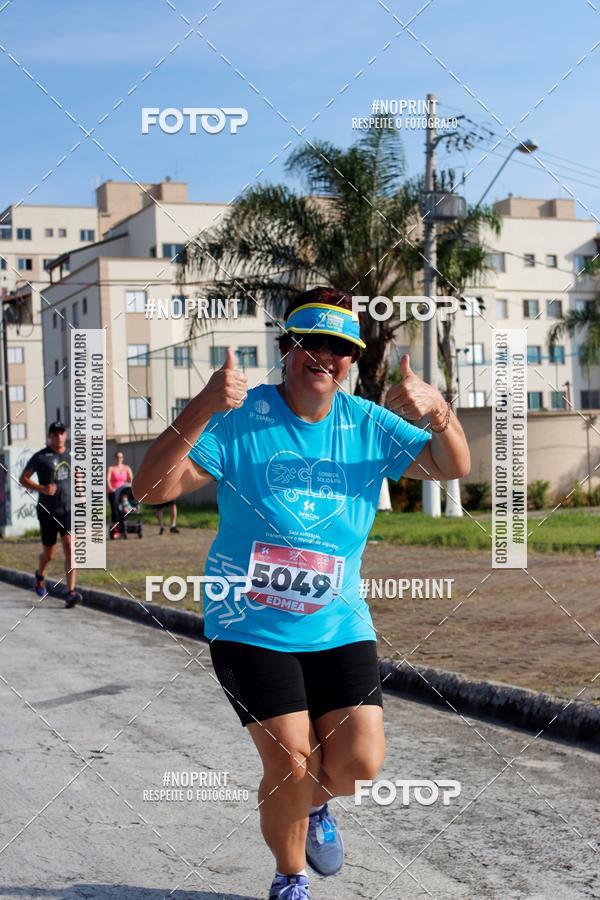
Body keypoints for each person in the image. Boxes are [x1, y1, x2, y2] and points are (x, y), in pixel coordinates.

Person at [132, 286, 470, 899]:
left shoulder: (365, 424)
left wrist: (438, 409)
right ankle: (290, 879)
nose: (324, 357)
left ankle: (309, 804)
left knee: (359, 763)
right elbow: (153, 489)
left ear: (352, 360)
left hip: (338, 623)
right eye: (311, 342)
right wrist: (203, 405)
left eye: (339, 348)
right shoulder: (241, 420)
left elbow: (452, 467)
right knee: (289, 757)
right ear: (288, 348)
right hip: (248, 624)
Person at [19, 421, 83, 609]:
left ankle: (70, 592)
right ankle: (40, 574)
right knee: (50, 554)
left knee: (70, 547)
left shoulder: (72, 455)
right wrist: (42, 489)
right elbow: (23, 478)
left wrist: (80, 494)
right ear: (50, 436)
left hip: (67, 509)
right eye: (55, 433)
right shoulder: (40, 457)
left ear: (65, 435)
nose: (59, 436)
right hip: (47, 511)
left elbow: (77, 474)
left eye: (62, 433)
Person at [107, 450, 134, 537]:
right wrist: (111, 488)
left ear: (122, 458)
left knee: (123, 509)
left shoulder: (126, 468)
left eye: (120, 457)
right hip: (113, 491)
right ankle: (114, 527)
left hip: (123, 492)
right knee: (115, 510)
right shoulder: (111, 468)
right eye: (117, 457)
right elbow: (107, 479)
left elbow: (131, 479)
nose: (119, 458)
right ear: (115, 458)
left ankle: (123, 527)